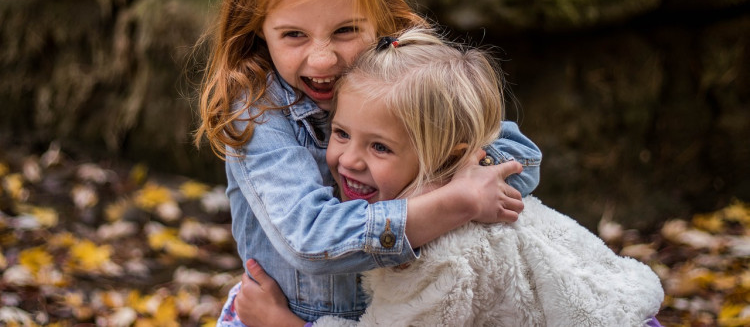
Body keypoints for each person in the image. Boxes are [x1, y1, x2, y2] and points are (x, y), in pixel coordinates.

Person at [194, 0, 542, 323]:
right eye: (294, 35)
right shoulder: (257, 111)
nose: (322, 60)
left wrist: (446, 184)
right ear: (258, 30)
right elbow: (311, 238)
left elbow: (519, 160)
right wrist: (451, 203)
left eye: (345, 30)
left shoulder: (401, 76)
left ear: (378, 18)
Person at [234, 29, 665, 327]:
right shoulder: (465, 192)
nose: (349, 159)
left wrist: (282, 323)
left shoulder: (446, 254)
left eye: (380, 147)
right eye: (341, 133)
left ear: (449, 157)